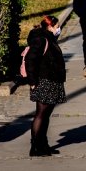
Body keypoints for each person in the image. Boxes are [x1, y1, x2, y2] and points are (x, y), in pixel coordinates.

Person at [25, 15, 66, 157]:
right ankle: (35, 147)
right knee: (41, 114)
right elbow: (30, 60)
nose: (58, 29)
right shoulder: (41, 39)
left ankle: (43, 144)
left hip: (52, 80)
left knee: (46, 115)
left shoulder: (49, 38)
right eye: (57, 26)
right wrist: (32, 82)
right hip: (44, 80)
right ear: (49, 27)